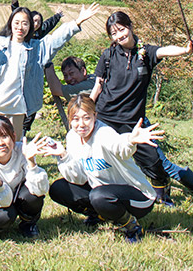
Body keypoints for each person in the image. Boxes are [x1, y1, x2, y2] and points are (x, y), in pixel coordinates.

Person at [89, 11, 193, 203]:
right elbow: (98, 85)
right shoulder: (108, 55)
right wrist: (87, 110)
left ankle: (167, 194)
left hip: (133, 120)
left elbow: (164, 50)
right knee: (101, 159)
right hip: (106, 117)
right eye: (113, 33)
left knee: (154, 161)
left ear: (130, 26)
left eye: (121, 29)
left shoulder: (145, 53)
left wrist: (185, 51)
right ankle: (105, 197)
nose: (119, 35)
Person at [41, 95, 164, 243]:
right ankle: (99, 215)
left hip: (138, 196)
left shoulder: (104, 133)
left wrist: (130, 140)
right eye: (75, 119)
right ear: (69, 120)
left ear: (95, 116)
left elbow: (120, 148)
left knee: (99, 196)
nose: (81, 124)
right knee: (58, 188)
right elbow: (79, 178)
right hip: (102, 191)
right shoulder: (72, 137)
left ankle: (132, 226)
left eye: (86, 118)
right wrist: (64, 155)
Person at [0, 3, 99, 140]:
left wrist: (77, 22)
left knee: (14, 148)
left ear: (30, 27)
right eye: (16, 22)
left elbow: (56, 39)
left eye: (25, 23)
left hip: (16, 109)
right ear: (10, 23)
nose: (20, 27)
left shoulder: (36, 48)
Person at [0, 116, 49, 242]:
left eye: (5, 136)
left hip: (19, 194)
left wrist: (32, 162)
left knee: (32, 196)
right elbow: (3, 203)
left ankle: (28, 223)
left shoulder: (22, 150)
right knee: (4, 215)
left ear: (13, 136)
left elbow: (41, 190)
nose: (0, 143)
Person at [9, 0, 65, 136]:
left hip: (35, 71)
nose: (37, 23)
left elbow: (50, 23)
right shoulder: (22, 33)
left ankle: (25, 129)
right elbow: (16, 18)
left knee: (33, 98)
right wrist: (15, 3)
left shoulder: (40, 34)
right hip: (20, 72)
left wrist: (58, 15)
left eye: (38, 21)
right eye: (33, 21)